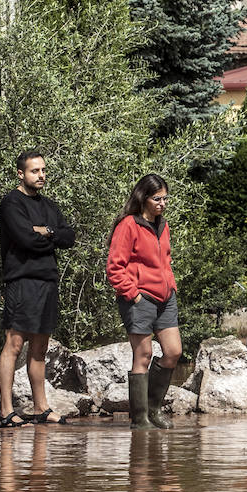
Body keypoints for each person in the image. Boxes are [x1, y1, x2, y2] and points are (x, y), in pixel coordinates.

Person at [0, 151, 76, 428]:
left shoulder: (50, 205)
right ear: (21, 174)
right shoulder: (11, 203)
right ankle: (6, 410)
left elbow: (68, 236)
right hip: (22, 280)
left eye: (43, 170)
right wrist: (44, 234)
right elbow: (25, 240)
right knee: (14, 344)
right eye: (34, 171)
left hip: (48, 281)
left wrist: (46, 231)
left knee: (40, 348)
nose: (41, 175)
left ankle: (41, 408)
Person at [106, 174, 182, 430]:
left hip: (165, 298)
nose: (162, 203)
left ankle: (153, 409)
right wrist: (133, 294)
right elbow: (114, 267)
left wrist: (170, 285)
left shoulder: (163, 224)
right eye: (157, 198)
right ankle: (140, 419)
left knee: (173, 352)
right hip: (139, 299)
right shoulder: (128, 225)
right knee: (144, 354)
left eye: (165, 198)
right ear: (143, 198)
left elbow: (166, 260)